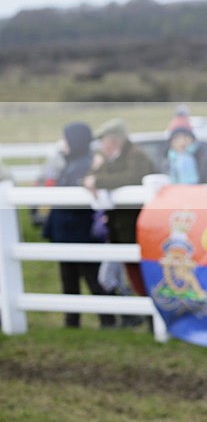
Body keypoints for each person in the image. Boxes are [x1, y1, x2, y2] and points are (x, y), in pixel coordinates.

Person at [43, 122, 116, 329]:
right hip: (66, 231)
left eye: (66, 139)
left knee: (92, 277)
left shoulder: (87, 163)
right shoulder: (70, 163)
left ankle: (108, 320)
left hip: (80, 231)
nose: (63, 143)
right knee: (69, 278)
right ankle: (72, 321)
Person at [83, 118, 155, 298]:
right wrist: (95, 171)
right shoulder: (111, 159)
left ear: (117, 140)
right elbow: (90, 178)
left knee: (140, 275)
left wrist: (98, 181)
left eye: (104, 140)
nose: (102, 145)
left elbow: (131, 178)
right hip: (120, 228)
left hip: (135, 226)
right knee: (129, 274)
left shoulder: (136, 156)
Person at [162, 111, 207, 183]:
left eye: (185, 137)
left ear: (192, 140)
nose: (182, 142)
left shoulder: (203, 156)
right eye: (177, 138)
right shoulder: (167, 159)